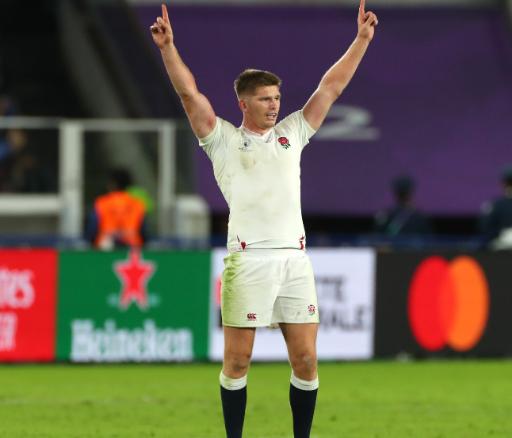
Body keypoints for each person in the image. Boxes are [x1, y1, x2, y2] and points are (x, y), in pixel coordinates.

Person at [150, 3, 378, 438]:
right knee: (238, 362)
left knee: (306, 360)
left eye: (277, 97)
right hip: (248, 260)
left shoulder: (293, 132)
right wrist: (168, 49)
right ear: (244, 102)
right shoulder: (222, 140)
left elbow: (330, 88)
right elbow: (189, 94)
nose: (274, 105)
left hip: (294, 259)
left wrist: (362, 41)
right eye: (265, 98)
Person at [86, 168, 147, 249]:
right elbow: (144, 231)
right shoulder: (137, 204)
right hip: (132, 249)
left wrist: (90, 242)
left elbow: (92, 228)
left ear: (112, 184)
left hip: (104, 248)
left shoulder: (101, 203)